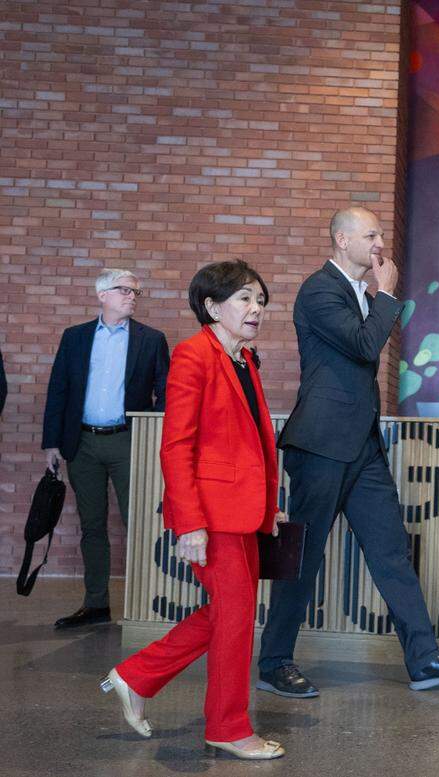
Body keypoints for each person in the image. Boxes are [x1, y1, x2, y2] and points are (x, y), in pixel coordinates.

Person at [258, 206, 439, 697]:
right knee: (303, 560)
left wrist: (376, 297)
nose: (380, 243)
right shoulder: (319, 289)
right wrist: (386, 295)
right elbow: (364, 347)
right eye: (371, 235)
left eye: (381, 234)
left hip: (362, 447)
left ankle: (424, 659)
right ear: (342, 240)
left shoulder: (360, 294)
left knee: (391, 553)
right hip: (320, 446)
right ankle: (274, 661)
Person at [101, 260, 287, 759]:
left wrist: (270, 506)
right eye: (245, 299)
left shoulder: (244, 360)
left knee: (233, 612)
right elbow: (176, 446)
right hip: (212, 514)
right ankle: (227, 727)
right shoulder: (193, 355)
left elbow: (252, 445)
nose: (256, 309)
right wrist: (191, 524)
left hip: (243, 512)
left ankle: (136, 676)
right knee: (235, 615)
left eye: (261, 301)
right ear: (211, 306)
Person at [42, 268, 169, 628]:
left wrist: (153, 435)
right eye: (124, 290)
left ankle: (146, 604)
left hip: (129, 441)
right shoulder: (75, 337)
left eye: (135, 292)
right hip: (81, 443)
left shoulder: (151, 339)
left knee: (140, 523)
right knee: (92, 525)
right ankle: (96, 604)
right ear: (102, 295)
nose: (131, 296)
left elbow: (167, 392)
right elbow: (59, 390)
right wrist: (51, 442)